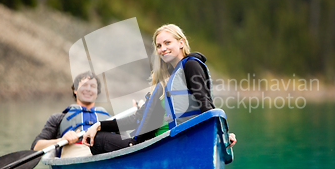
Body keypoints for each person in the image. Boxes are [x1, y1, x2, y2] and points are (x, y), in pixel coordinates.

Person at [82, 24, 237, 154]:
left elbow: (205, 103)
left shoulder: (191, 65)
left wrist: (222, 133)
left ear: (181, 43)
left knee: (99, 139)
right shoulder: (163, 82)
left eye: (167, 43)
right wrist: (100, 124)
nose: (163, 49)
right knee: (100, 133)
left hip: (168, 145)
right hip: (150, 144)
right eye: (159, 46)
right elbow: (137, 118)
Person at [31, 71, 111, 157]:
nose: (88, 89)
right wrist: (61, 140)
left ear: (97, 92)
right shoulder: (59, 118)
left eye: (93, 86)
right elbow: (36, 147)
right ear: (75, 90)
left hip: (106, 153)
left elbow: (125, 142)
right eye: (84, 85)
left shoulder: (110, 119)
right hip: (75, 154)